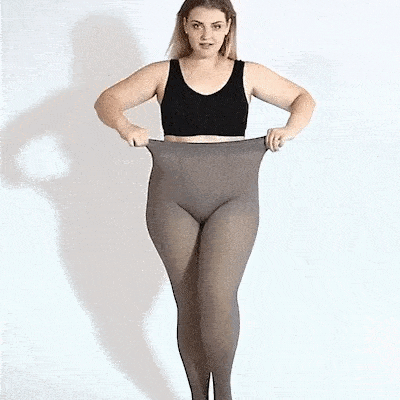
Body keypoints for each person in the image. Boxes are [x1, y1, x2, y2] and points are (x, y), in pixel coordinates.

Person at [94, 0, 316, 398]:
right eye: (197, 25)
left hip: (234, 196)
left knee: (217, 297)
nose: (206, 35)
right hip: (172, 198)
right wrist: (125, 126)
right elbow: (107, 100)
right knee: (189, 303)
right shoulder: (162, 73)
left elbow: (303, 99)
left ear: (229, 26)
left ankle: (224, 393)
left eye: (215, 26)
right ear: (184, 26)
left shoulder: (248, 74)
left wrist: (289, 130)